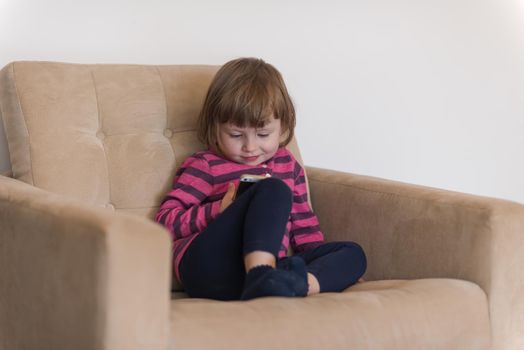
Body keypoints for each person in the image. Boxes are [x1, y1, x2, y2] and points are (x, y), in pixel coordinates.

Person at [155, 57, 366, 301]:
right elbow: (163, 223)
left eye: (263, 134)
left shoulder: (288, 165)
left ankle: (290, 284)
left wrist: (331, 267)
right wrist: (217, 210)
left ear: (283, 126)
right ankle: (263, 275)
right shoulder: (206, 165)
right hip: (207, 268)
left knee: (353, 253)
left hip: (252, 277)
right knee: (272, 189)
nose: (251, 147)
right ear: (215, 127)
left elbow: (305, 231)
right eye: (236, 135)